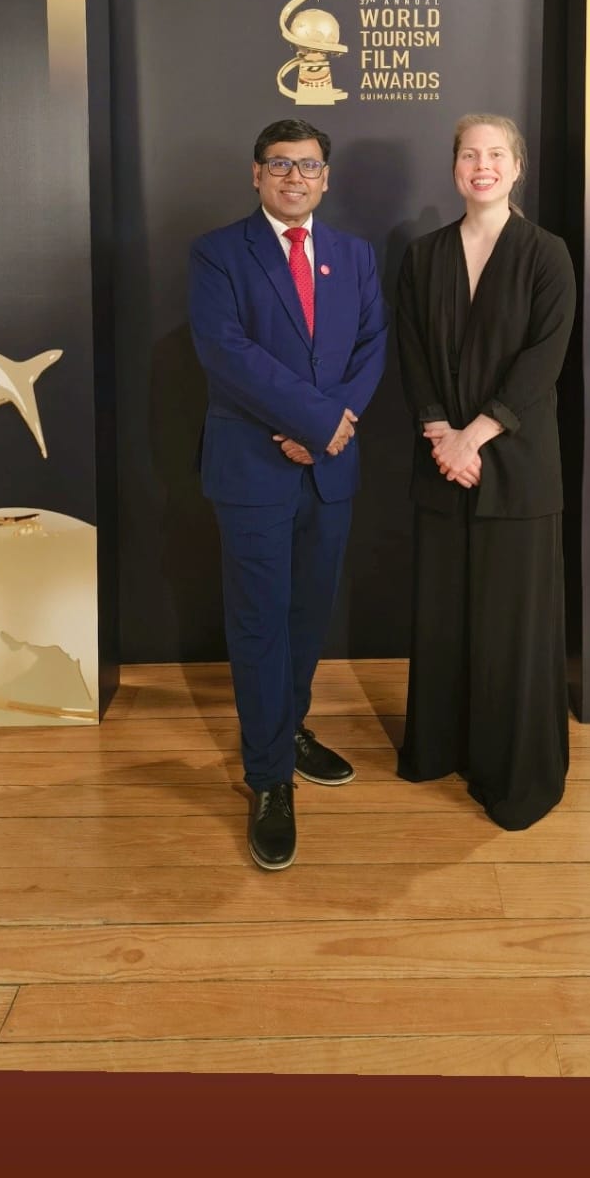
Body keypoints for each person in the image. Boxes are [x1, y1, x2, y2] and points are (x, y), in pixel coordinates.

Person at [188, 119, 388, 870]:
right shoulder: (218, 253)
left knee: (308, 616)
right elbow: (226, 353)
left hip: (328, 467)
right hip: (253, 470)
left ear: (325, 178)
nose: (294, 177)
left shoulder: (354, 256)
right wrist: (315, 421)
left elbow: (372, 345)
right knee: (260, 623)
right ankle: (269, 776)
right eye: (280, 164)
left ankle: (288, 727)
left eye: (308, 166)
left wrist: (333, 427)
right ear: (256, 174)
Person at [395, 114, 577, 831]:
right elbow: (411, 350)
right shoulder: (424, 256)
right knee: (446, 617)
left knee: (512, 626)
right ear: (454, 167)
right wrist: (443, 434)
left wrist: (476, 435)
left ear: (517, 167)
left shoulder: (547, 254)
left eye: (496, 154)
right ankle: (441, 749)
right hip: (443, 461)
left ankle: (512, 772)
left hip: (517, 465)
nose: (482, 165)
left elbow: (544, 359)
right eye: (470, 154)